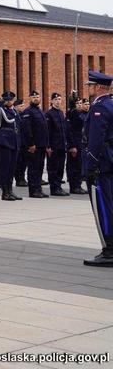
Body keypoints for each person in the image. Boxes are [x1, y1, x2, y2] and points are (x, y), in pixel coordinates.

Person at [83, 71, 113, 267]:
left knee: (103, 206)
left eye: (91, 86)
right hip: (110, 160)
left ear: (99, 87)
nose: (89, 89)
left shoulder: (100, 108)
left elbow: (95, 141)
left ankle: (109, 249)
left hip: (102, 164)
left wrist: (91, 166)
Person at [0, 91, 23, 201]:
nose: (9, 102)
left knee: (12, 168)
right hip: (4, 141)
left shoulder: (14, 111)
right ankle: (5, 192)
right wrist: (0, 103)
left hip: (14, 141)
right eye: (7, 100)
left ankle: (10, 190)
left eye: (11, 100)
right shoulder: (0, 110)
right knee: (5, 168)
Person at [20, 91, 49, 198]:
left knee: (40, 168)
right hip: (34, 146)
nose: (36, 98)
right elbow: (27, 130)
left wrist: (46, 144)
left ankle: (38, 188)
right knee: (33, 168)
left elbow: (44, 129)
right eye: (33, 97)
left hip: (41, 145)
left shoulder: (40, 111)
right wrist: (31, 144)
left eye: (37, 96)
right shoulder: (28, 112)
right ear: (30, 99)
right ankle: (33, 190)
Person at [46, 92, 70, 196]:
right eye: (56, 99)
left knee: (60, 167)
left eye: (59, 99)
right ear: (51, 101)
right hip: (53, 146)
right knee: (53, 168)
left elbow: (64, 130)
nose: (58, 101)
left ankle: (58, 186)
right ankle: (54, 188)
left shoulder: (61, 113)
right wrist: (48, 146)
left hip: (61, 145)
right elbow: (47, 131)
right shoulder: (49, 114)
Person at [66, 96, 88, 194]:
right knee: (73, 165)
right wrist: (72, 146)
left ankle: (77, 185)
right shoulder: (72, 114)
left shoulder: (78, 114)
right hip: (74, 142)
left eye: (80, 103)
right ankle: (74, 186)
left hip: (79, 142)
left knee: (78, 165)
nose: (80, 105)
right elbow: (69, 131)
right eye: (77, 103)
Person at [14, 99, 29, 187]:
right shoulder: (14, 116)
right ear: (15, 107)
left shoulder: (23, 115)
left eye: (23, 106)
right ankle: (18, 179)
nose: (22, 108)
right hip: (18, 142)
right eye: (20, 106)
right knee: (18, 162)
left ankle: (22, 178)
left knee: (24, 162)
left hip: (24, 142)